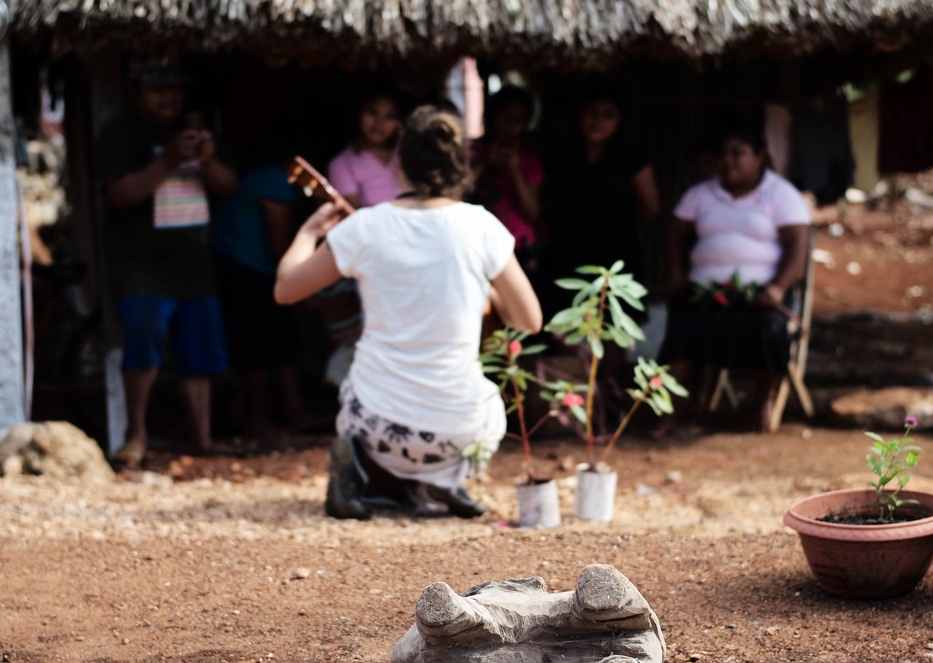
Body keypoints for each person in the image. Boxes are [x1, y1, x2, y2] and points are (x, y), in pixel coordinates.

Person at [274, 106, 543, 520]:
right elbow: (529, 320)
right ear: (459, 165)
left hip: (377, 422)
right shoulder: (482, 226)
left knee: (356, 384)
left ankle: (363, 469)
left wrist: (308, 233)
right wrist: (482, 280)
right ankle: (447, 478)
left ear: (400, 162)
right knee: (491, 406)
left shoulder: (365, 226)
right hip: (460, 430)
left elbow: (286, 290)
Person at [96, 59, 237, 466]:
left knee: (200, 353)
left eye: (175, 87)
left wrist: (208, 160)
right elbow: (120, 195)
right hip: (139, 266)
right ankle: (136, 433)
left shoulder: (199, 132)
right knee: (144, 340)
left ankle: (203, 440)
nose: (168, 96)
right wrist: (168, 160)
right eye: (157, 88)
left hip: (193, 263)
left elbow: (229, 185)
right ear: (133, 91)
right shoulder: (119, 135)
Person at [659, 126, 811, 432]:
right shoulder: (701, 193)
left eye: (737, 153)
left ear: (760, 157)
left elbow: (798, 245)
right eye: (723, 154)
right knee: (684, 326)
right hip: (705, 290)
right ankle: (673, 408)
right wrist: (676, 272)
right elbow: (674, 231)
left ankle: (760, 403)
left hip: (760, 295)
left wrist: (779, 287)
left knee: (768, 329)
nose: (728, 161)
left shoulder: (781, 194)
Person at [210, 137, 312, 444]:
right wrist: (309, 289)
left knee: (282, 340)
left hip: (258, 268)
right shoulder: (275, 179)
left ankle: (295, 414)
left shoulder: (267, 176)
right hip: (247, 269)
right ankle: (255, 420)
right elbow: (279, 247)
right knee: (259, 345)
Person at [540, 89, 661, 301]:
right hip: (565, 251)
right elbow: (543, 201)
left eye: (608, 115)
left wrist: (616, 227)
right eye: (591, 113)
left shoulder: (632, 157)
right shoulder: (558, 154)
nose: (597, 121)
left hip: (616, 256)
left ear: (620, 120)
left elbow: (651, 208)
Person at [469, 85, 545, 275]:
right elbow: (455, 196)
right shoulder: (469, 152)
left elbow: (533, 214)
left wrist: (516, 170)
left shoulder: (528, 159)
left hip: (519, 248)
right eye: (505, 117)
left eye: (518, 120)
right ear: (491, 116)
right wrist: (485, 161)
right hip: (474, 245)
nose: (510, 126)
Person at [327, 88, 405, 208]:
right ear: (359, 113)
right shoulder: (342, 164)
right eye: (372, 112)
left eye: (389, 116)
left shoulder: (406, 153)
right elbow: (354, 213)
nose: (379, 123)